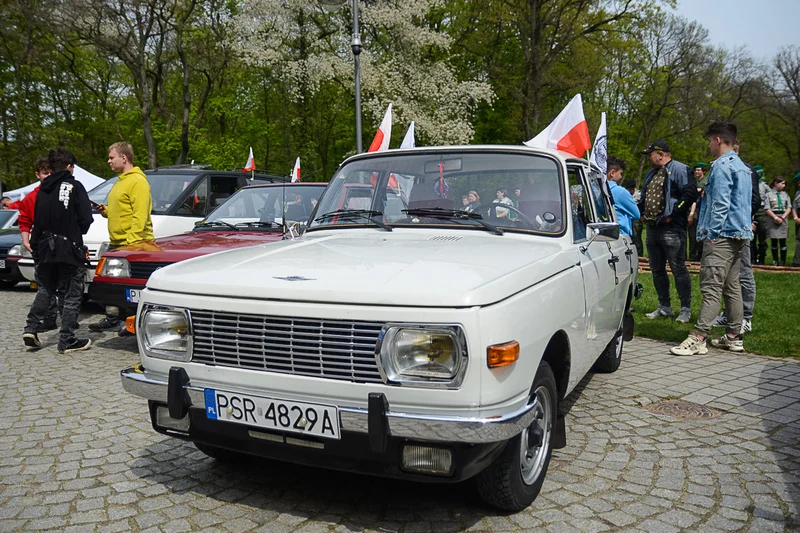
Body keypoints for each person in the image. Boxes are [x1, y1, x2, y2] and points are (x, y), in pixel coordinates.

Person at [671, 123, 752, 356]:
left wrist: (713, 234)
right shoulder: (743, 167)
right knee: (732, 286)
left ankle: (698, 337)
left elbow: (720, 204)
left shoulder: (722, 166)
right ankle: (734, 336)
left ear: (717, 140)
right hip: (739, 234)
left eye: (709, 141)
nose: (708, 146)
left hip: (722, 235)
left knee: (711, 287)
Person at [22, 148, 93, 354]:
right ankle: (67, 339)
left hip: (45, 248)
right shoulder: (74, 186)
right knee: (71, 294)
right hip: (68, 249)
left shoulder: (42, 190)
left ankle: (31, 328)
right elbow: (86, 219)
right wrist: (76, 231)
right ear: (70, 167)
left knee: (45, 289)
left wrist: (36, 247)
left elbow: (37, 220)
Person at [90, 142, 154, 332]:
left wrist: (132, 244)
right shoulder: (120, 180)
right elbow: (123, 210)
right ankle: (112, 318)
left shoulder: (138, 181)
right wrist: (106, 211)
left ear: (123, 158)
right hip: (118, 243)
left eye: (111, 157)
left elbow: (140, 215)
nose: (108, 161)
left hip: (134, 244)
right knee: (113, 285)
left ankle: (134, 323)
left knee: (132, 288)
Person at [638, 140, 698, 323]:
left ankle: (685, 309)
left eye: (651, 154)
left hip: (672, 228)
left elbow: (689, 194)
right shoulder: (652, 173)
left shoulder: (680, 169)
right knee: (657, 269)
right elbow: (645, 195)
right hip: (653, 227)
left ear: (661, 154)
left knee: (678, 268)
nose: (649, 158)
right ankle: (664, 306)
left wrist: (674, 214)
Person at [711, 139, 760, 334]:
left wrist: (744, 219)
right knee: (726, 277)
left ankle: (746, 316)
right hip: (725, 230)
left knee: (744, 272)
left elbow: (754, 199)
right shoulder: (720, 167)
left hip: (739, 228)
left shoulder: (746, 170)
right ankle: (730, 315)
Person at [19, 157, 62, 332]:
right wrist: (25, 239)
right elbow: (24, 220)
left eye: (51, 172)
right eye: (45, 173)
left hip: (61, 243)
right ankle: (49, 318)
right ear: (38, 175)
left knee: (64, 282)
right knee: (45, 283)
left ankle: (67, 317)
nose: (49, 176)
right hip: (41, 244)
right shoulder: (31, 198)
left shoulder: (62, 192)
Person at [606, 156, 640, 237]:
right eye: (620, 173)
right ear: (612, 173)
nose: (621, 176)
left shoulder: (595, 190)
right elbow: (636, 215)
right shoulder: (620, 192)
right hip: (620, 235)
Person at [764, 176, 791, 266]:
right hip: (773, 218)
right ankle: (775, 260)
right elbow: (767, 208)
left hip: (783, 217)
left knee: (783, 241)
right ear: (776, 183)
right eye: (782, 183)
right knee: (774, 241)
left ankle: (783, 261)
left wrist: (782, 217)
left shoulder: (785, 195)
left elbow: (789, 207)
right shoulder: (768, 195)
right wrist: (775, 218)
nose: (784, 185)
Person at [687, 162, 707, 261]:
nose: (696, 172)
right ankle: (693, 255)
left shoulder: (706, 181)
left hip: (702, 208)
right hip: (694, 208)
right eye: (695, 170)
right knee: (692, 234)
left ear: (703, 171)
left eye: (699, 170)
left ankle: (699, 255)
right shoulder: (694, 182)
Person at [751, 165, 771, 264]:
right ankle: (753, 258)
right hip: (753, 210)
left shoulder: (765, 186)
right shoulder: (750, 183)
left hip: (762, 211)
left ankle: (762, 257)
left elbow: (770, 197)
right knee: (752, 237)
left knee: (762, 236)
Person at [625, 179, 644, 254]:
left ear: (633, 188)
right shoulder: (628, 195)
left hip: (637, 220)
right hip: (630, 219)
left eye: (630, 189)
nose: (629, 191)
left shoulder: (638, 195)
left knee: (637, 238)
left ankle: (639, 254)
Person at [793, 173, 800, 267]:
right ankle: (797, 260)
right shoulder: (797, 193)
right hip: (798, 216)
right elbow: (794, 206)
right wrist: (795, 217)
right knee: (798, 238)